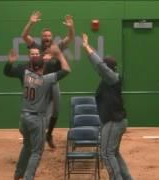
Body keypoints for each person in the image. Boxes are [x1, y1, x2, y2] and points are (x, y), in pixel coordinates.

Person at [8, 48, 70, 180]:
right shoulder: (46, 79)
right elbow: (66, 70)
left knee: (27, 146)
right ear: (43, 67)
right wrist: (59, 55)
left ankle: (18, 173)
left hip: (24, 118)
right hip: (36, 119)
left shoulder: (26, 75)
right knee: (37, 152)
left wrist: (10, 63)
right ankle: (28, 177)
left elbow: (11, 71)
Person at [82, 33, 133, 180]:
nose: (101, 69)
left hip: (114, 121)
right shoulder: (109, 79)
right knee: (114, 153)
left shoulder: (112, 78)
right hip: (113, 121)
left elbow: (99, 65)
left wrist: (86, 48)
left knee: (106, 153)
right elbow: (99, 65)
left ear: (108, 68)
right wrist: (88, 46)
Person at [21, 10, 75, 148]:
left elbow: (70, 38)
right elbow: (24, 35)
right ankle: (34, 135)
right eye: (44, 35)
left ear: (52, 37)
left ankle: (49, 134)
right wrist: (30, 23)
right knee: (41, 111)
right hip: (38, 83)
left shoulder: (56, 47)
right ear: (41, 37)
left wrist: (70, 27)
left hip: (53, 82)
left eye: (49, 35)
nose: (47, 37)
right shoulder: (36, 46)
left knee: (56, 110)